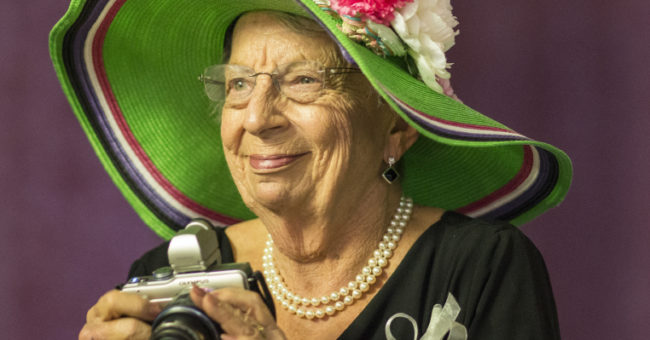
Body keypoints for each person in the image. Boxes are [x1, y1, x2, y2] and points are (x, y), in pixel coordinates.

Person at [49, 0, 572, 339]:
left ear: (396, 127)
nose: (256, 118)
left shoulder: (480, 267)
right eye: (238, 84)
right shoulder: (175, 276)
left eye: (302, 81)